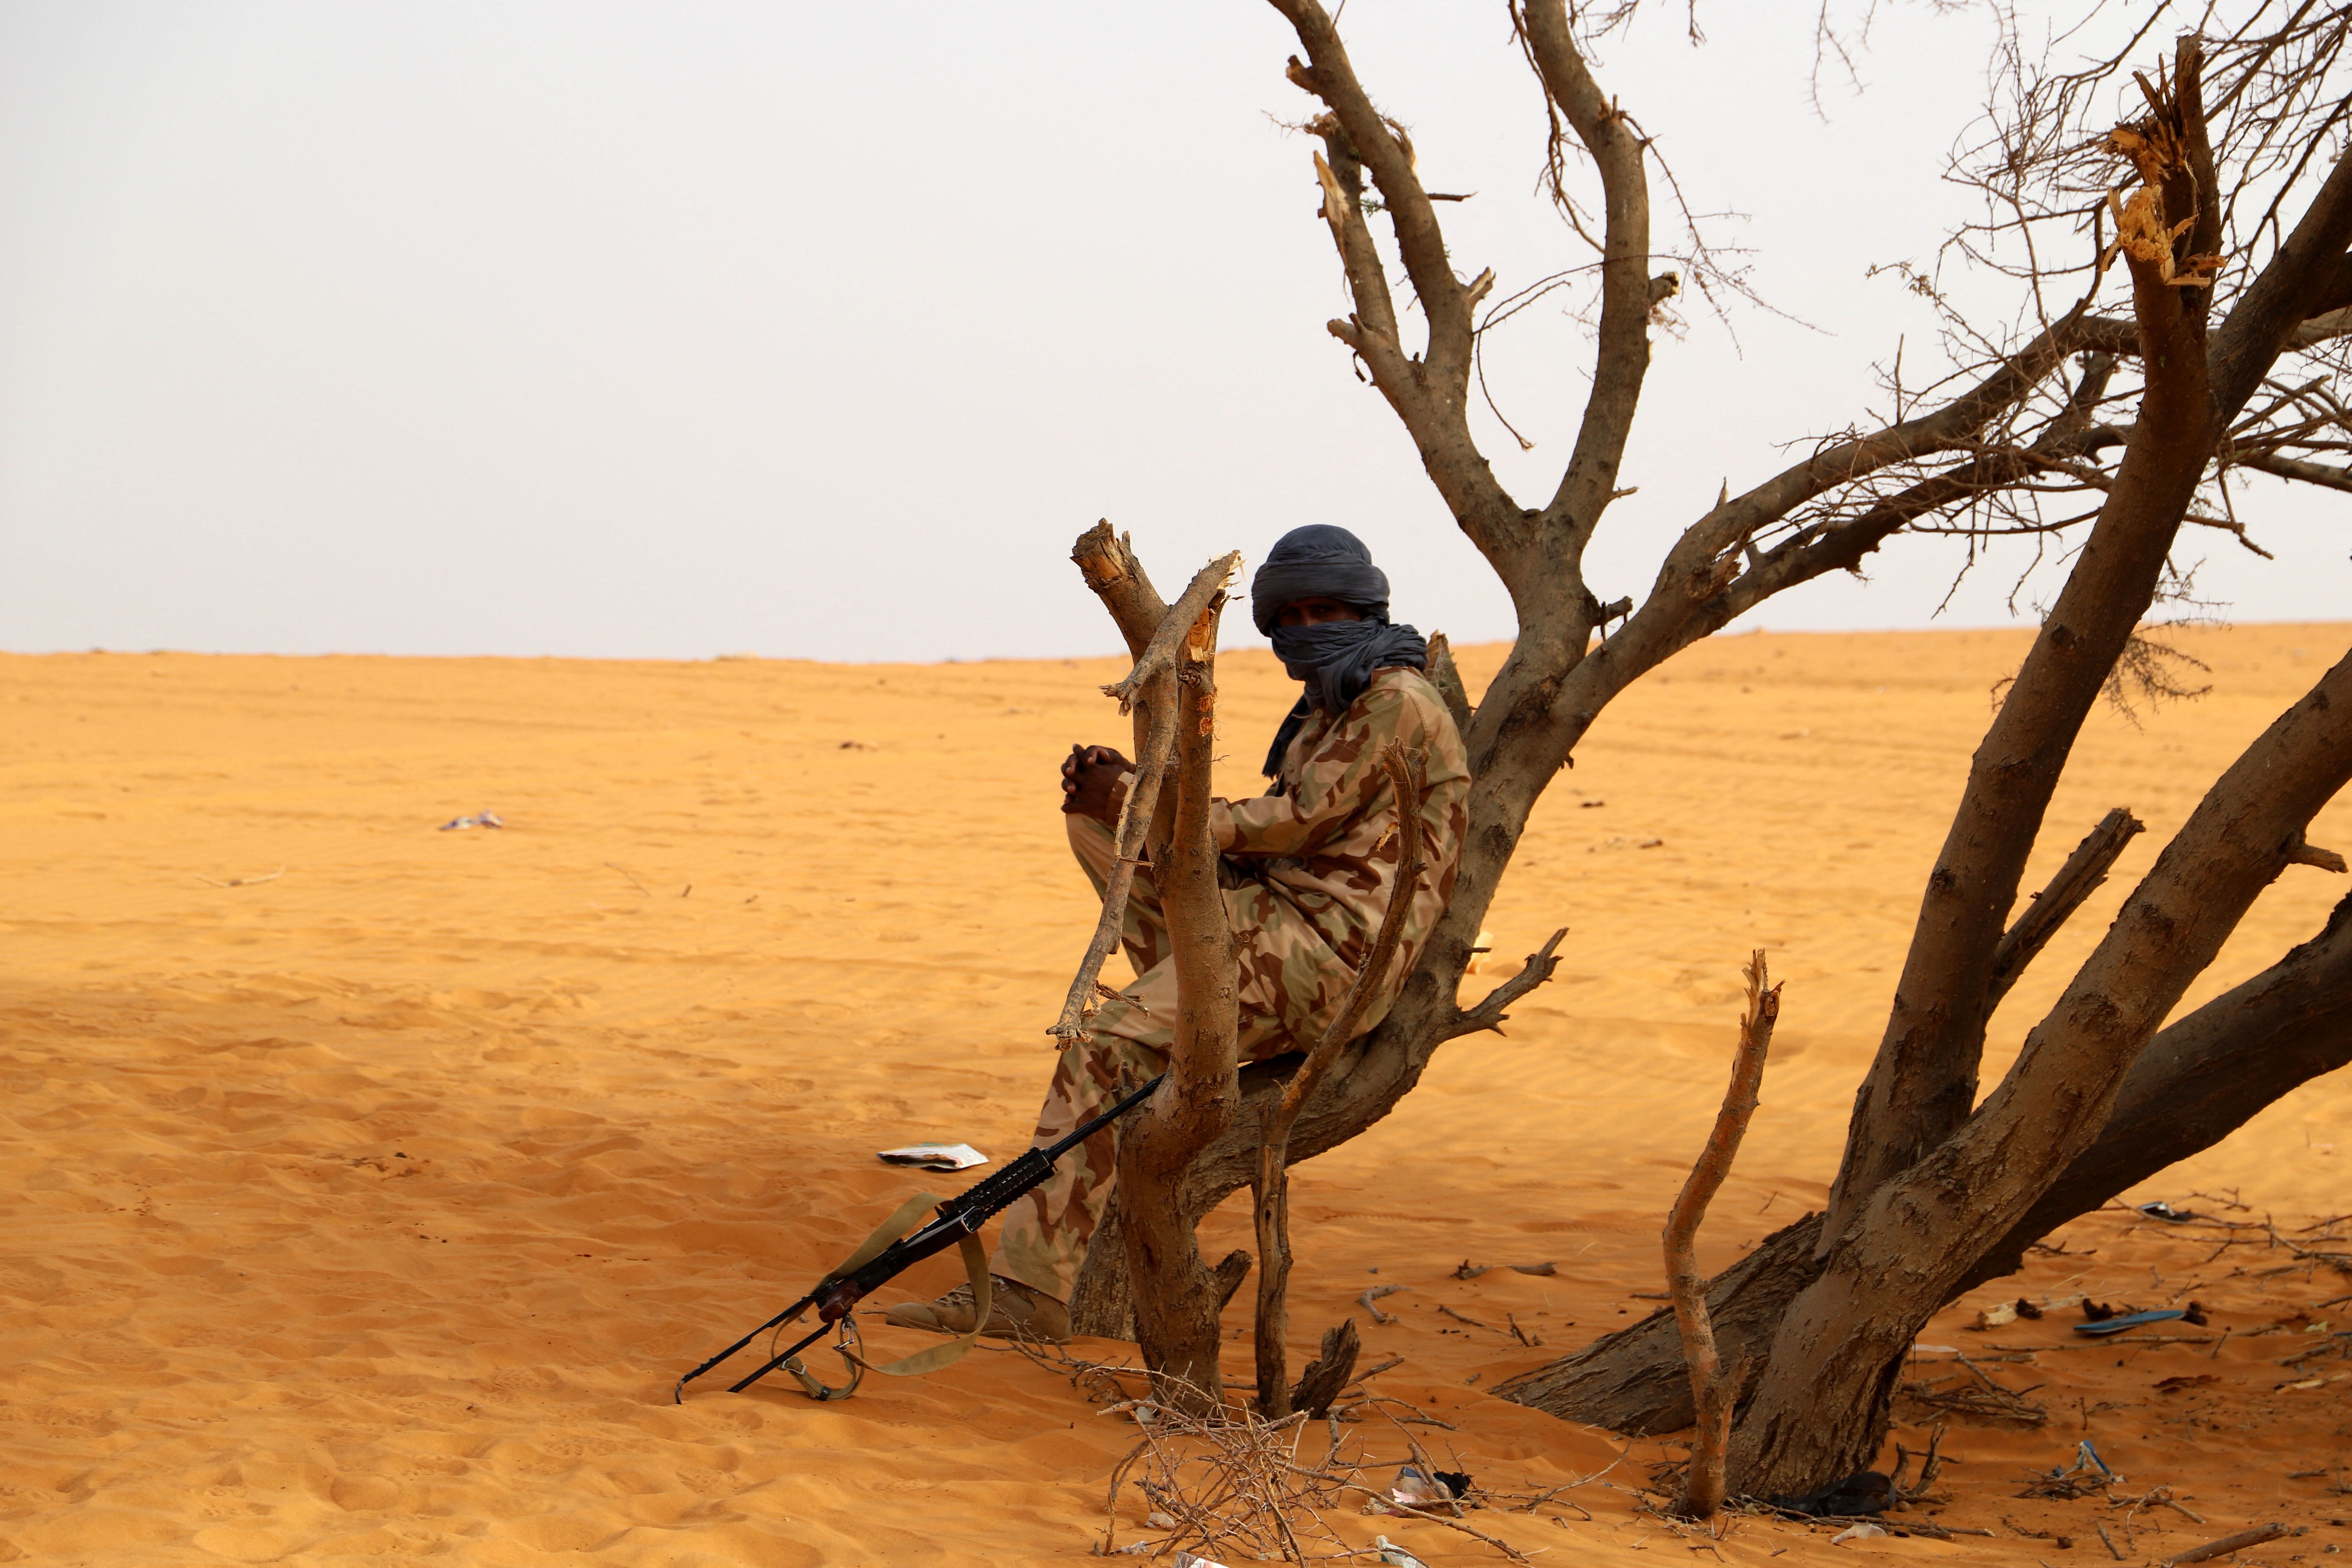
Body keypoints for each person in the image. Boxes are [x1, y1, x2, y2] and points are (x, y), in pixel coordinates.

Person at [885, 524, 1470, 1341]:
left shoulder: (1393, 701)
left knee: (1102, 1046)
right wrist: (1126, 804)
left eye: (1326, 609)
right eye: (1291, 616)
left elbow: (1298, 821)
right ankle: (1187, 1001)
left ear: (1364, 608)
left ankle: (1030, 1293)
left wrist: (1141, 793)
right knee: (1099, 831)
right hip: (1274, 917)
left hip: (1326, 956)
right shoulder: (1334, 698)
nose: (1307, 629)